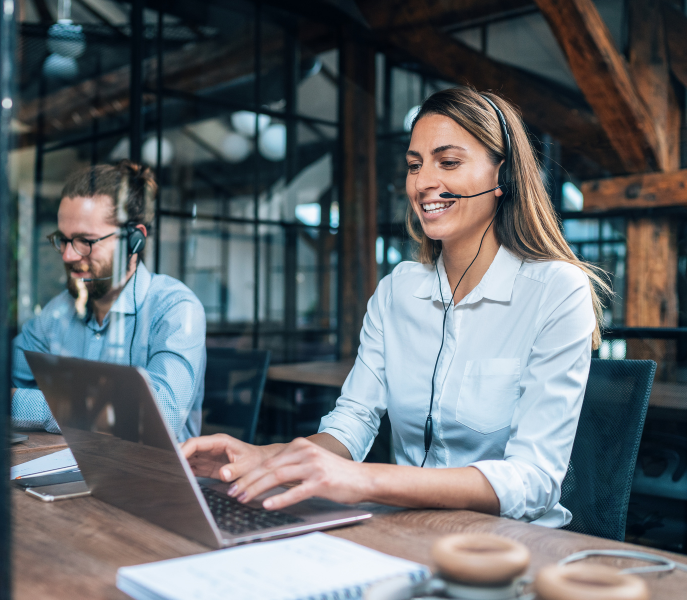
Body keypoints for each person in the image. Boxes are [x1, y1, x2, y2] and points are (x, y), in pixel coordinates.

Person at [182, 87, 610, 527]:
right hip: (409, 529)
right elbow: (352, 422)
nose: (423, 183)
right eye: (414, 165)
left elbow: (534, 479)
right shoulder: (397, 291)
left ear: (504, 176)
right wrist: (267, 459)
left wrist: (365, 481)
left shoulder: (557, 290)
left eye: (448, 162)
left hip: (509, 544)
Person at [0, 161, 206, 442]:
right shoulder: (59, 311)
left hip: (151, 469)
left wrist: (15, 405)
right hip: (69, 465)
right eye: (64, 239)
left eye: (86, 241)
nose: (68, 255)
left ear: (134, 240)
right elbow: (0, 370)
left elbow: (161, 415)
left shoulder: (175, 309)